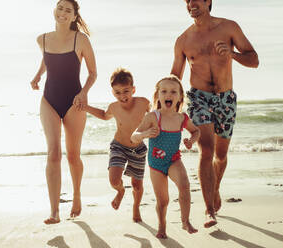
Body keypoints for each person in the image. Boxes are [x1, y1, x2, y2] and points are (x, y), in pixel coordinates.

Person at [171, 0, 259, 228]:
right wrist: (165, 104)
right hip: (198, 98)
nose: (191, 3)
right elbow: (175, 76)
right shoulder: (183, 40)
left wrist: (232, 54)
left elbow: (254, 60)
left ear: (209, 1)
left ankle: (215, 187)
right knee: (206, 150)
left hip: (226, 99)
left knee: (220, 155)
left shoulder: (229, 28)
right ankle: (209, 210)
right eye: (187, 0)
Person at [30, 0, 97, 224]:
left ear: (74, 16)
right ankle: (54, 211)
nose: (63, 12)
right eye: (60, 8)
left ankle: (77, 194)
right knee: (53, 153)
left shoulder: (81, 39)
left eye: (68, 10)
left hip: (74, 102)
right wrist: (38, 75)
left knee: (73, 155)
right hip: (49, 100)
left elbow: (93, 73)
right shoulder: (43, 39)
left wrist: (84, 93)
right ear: (54, 11)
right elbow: (47, 59)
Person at [131, 75, 200, 239]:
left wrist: (191, 141)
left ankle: (185, 221)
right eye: (164, 91)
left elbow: (196, 131)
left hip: (173, 160)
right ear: (158, 96)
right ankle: (162, 225)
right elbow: (134, 136)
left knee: (184, 185)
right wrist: (146, 134)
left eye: (173, 91)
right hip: (156, 164)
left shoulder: (182, 118)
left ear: (180, 97)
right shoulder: (153, 117)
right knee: (163, 201)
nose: (168, 94)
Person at [83, 68, 154, 222]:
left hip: (138, 149)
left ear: (133, 89)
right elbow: (103, 115)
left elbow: (156, 115)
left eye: (126, 91)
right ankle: (120, 191)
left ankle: (136, 207)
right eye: (117, 92)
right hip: (119, 146)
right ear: (113, 92)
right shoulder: (114, 107)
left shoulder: (143, 103)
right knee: (114, 180)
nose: (122, 96)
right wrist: (85, 107)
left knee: (136, 184)